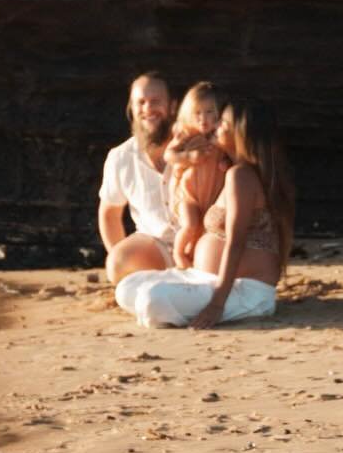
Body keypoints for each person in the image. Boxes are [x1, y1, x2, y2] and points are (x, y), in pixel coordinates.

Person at [115, 95, 295, 329]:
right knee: (127, 287)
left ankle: (195, 308)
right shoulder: (233, 170)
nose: (216, 125)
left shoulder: (241, 176)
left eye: (224, 124)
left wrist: (217, 304)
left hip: (243, 290)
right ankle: (181, 306)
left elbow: (236, 242)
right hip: (204, 278)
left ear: (240, 135)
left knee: (152, 299)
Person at [98, 71, 176, 283]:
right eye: (140, 102)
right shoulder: (120, 157)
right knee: (118, 261)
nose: (148, 108)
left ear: (173, 106)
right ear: (131, 109)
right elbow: (110, 213)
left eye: (155, 101)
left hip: (199, 244)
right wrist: (119, 261)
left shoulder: (198, 149)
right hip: (153, 250)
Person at [163, 80, 231, 267]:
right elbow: (169, 155)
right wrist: (189, 156)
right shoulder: (187, 134)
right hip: (189, 195)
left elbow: (231, 155)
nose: (203, 118)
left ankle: (197, 258)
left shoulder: (222, 135)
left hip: (213, 195)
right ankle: (178, 254)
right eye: (198, 113)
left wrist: (227, 162)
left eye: (210, 112)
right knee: (191, 225)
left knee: (205, 229)